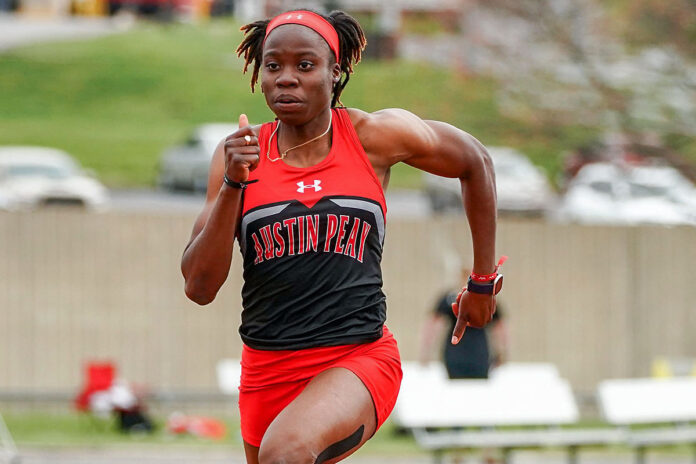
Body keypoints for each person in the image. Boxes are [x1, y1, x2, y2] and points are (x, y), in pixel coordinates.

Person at [181, 8, 501, 464]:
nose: (286, 78)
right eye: (274, 66)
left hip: (357, 358)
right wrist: (234, 182)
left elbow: (476, 161)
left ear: (337, 71)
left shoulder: (373, 138)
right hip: (266, 369)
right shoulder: (238, 156)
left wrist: (482, 281)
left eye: (305, 65)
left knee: (286, 453)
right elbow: (199, 287)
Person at [420, 267, 508, 379]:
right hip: (456, 356)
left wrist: (502, 352)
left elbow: (499, 327)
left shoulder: (486, 298)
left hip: (478, 356)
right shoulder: (450, 299)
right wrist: (426, 351)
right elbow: (432, 326)